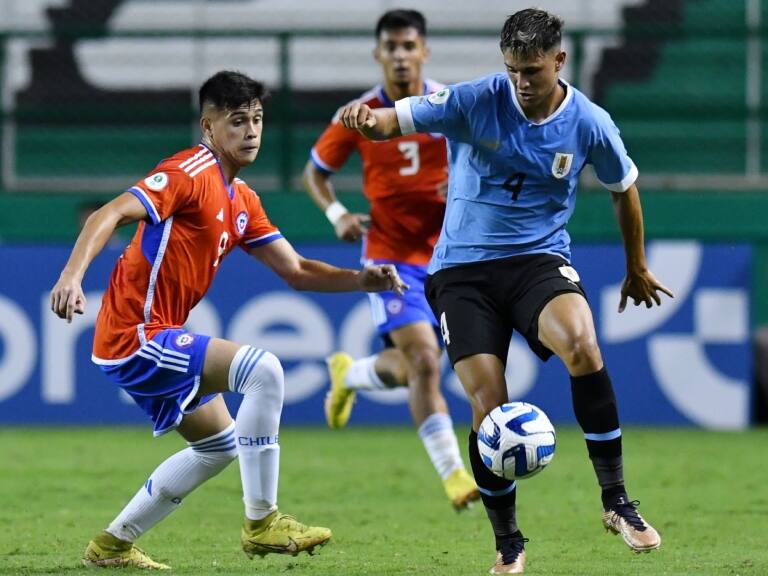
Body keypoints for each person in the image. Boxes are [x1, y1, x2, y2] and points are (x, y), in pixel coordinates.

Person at [339, 8, 673, 574]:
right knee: (488, 407)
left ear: (559, 61)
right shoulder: (474, 100)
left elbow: (625, 188)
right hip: (462, 272)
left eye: (533, 71)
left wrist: (636, 266)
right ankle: (508, 542)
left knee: (583, 347)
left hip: (538, 262)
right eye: (513, 69)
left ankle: (617, 501)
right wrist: (363, 119)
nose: (521, 82)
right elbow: (392, 121)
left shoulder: (589, 122)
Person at [50, 70, 407, 570]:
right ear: (209, 126)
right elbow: (107, 213)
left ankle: (112, 545)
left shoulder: (242, 200)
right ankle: (263, 522)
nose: (251, 131)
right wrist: (71, 277)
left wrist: (362, 279)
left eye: (257, 119)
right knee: (265, 370)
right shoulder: (188, 172)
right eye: (237, 121)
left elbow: (299, 271)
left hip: (156, 334)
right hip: (135, 333)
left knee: (219, 446)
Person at [302, 8, 479, 511]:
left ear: (424, 51)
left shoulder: (451, 105)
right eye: (391, 47)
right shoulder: (355, 116)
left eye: (409, 46)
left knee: (415, 366)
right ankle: (455, 477)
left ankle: (351, 375)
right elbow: (315, 173)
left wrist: (464, 184)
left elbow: (489, 156)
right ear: (378, 54)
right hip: (391, 258)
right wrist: (336, 213)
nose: (400, 56)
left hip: (452, 256)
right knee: (425, 361)